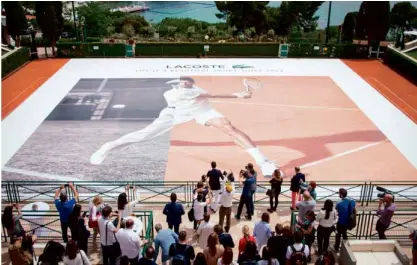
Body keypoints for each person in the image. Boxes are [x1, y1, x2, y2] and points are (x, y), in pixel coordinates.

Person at [90, 77, 279, 177]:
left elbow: (209, 96)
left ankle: (264, 162)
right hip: (174, 113)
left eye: (188, 81)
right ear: (176, 85)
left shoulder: (196, 91)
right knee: (143, 135)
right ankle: (108, 147)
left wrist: (239, 95)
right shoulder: (171, 95)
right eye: (182, 82)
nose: (186, 83)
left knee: (228, 127)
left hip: (201, 111)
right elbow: (215, 95)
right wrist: (240, 95)